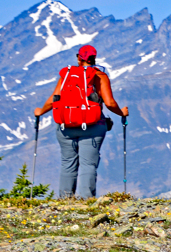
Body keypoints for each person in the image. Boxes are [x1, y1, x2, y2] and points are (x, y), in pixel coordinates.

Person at [33, 45, 128, 198]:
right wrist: (121, 112)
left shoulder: (67, 75)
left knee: (68, 163)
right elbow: (109, 103)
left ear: (79, 57)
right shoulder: (99, 76)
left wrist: (40, 111)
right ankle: (86, 201)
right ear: (94, 58)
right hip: (92, 126)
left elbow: (54, 99)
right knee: (88, 164)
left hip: (66, 125)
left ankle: (65, 200)